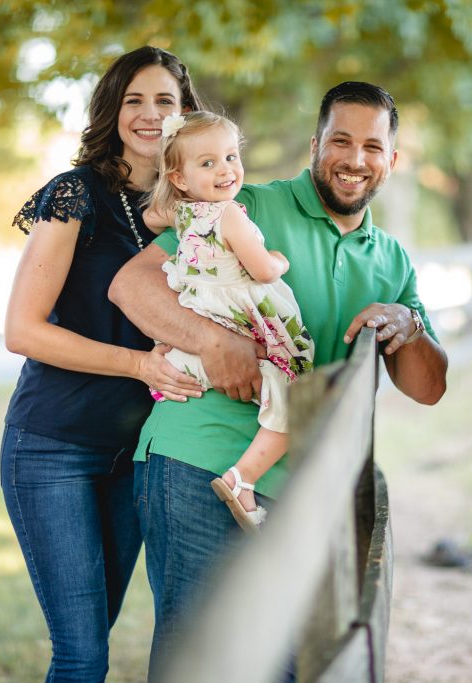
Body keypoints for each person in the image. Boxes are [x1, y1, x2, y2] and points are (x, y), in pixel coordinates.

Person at [108, 81, 448, 668]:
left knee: (292, 667)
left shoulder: (391, 259)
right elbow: (131, 285)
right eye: (340, 141)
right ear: (315, 145)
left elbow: (428, 388)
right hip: (198, 462)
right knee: (203, 662)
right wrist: (217, 343)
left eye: (372, 146)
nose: (354, 159)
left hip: (311, 492)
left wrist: (408, 324)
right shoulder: (248, 205)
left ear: (391, 160)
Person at [0, 46, 204, 682]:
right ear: (111, 110)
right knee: (82, 655)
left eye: (164, 101)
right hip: (53, 447)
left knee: (96, 635)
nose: (148, 115)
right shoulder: (74, 196)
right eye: (133, 100)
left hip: (136, 457)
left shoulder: (199, 211)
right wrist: (141, 366)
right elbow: (21, 330)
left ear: (185, 115)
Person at [142, 110, 315, 531]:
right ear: (180, 176)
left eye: (232, 157)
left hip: (208, 310)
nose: (226, 170)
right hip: (242, 313)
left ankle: (183, 365)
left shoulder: (183, 213)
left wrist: (177, 195)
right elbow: (261, 270)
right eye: (208, 163)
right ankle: (244, 479)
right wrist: (278, 259)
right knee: (297, 391)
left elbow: (150, 217)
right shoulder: (230, 214)